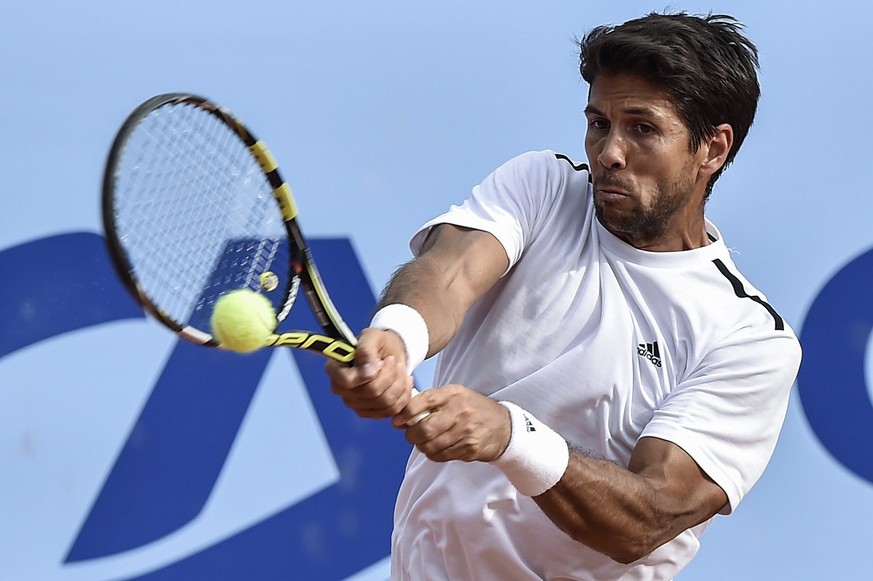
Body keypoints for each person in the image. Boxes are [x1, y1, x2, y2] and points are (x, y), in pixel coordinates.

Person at [326, 11, 802, 580]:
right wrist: (399, 335)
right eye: (599, 123)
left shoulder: (749, 338)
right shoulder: (543, 188)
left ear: (713, 149)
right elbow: (446, 273)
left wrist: (510, 436)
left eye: (642, 129)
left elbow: (647, 518)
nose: (609, 152)